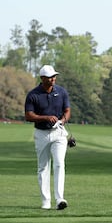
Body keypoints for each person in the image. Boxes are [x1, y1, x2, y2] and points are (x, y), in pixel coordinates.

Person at [24, 65, 71, 210]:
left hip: (59, 133)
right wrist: (45, 118)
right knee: (43, 167)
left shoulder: (61, 92)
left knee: (59, 164)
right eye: (50, 77)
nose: (53, 79)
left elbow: (67, 110)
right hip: (41, 134)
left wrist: (63, 120)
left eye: (54, 76)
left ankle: (59, 199)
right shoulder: (33, 95)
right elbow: (28, 115)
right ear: (42, 78)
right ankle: (46, 201)